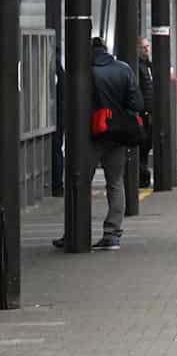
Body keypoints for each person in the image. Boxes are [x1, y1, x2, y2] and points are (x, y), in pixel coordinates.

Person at [53, 37, 143, 252]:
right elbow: (137, 103)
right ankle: (112, 234)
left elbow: (72, 104)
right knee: (115, 183)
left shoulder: (83, 71)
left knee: (81, 181)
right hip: (118, 133)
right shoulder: (124, 69)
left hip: (89, 135)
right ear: (106, 50)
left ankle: (75, 232)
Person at [137, 37, 154, 187]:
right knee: (142, 145)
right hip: (143, 112)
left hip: (150, 112)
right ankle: (142, 175)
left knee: (147, 144)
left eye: (147, 47)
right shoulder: (138, 67)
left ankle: (143, 174)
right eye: (143, 47)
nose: (146, 49)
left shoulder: (149, 66)